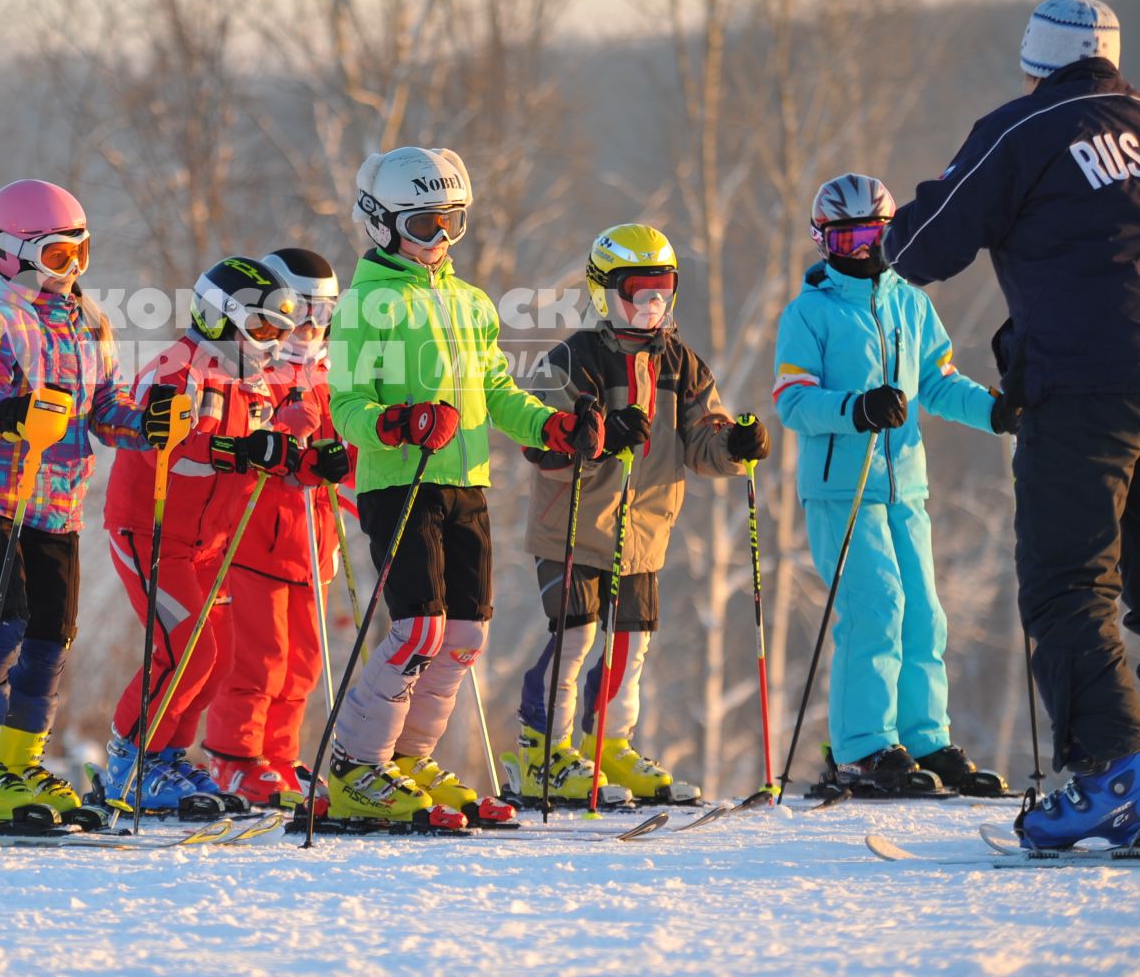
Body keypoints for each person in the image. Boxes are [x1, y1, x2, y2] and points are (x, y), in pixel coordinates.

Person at [884, 0, 1140, 848]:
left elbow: (927, 242)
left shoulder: (1023, 129)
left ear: (1035, 63)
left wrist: (885, 237)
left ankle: (1112, 780)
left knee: (1069, 580)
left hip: (1085, 378)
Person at [324, 146, 604, 829]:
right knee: (419, 626)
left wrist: (552, 427)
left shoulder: (471, 304)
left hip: (465, 483)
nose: (441, 239)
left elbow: (497, 391)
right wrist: (399, 421)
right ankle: (357, 766)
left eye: (453, 222)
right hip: (401, 484)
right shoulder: (367, 305)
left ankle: (411, 760)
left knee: (464, 635)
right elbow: (345, 405)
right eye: (425, 225)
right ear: (382, 223)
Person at [0, 179, 179, 830]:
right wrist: (11, 412)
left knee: (50, 638)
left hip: (56, 499)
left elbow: (105, 407)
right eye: (60, 256)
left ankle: (15, 762)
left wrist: (146, 422)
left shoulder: (88, 319)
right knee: (4, 625)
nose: (74, 270)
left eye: (82, 253)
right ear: (10, 252)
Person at [508, 224, 767, 806]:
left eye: (663, 291)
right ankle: (541, 752)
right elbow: (539, 443)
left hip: (645, 532)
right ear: (604, 291)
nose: (653, 305)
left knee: (631, 642)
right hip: (573, 527)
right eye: (638, 292)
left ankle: (609, 744)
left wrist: (735, 447)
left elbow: (704, 440)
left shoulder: (681, 363)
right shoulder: (574, 359)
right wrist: (596, 436)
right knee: (575, 635)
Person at [773, 173, 1012, 798]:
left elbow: (937, 380)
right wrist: (856, 407)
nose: (862, 249)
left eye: (874, 234)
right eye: (847, 236)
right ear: (823, 239)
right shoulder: (809, 314)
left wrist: (994, 410)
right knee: (875, 608)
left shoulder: (911, 301)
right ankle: (864, 747)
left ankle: (925, 739)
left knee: (925, 618)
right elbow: (793, 401)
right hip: (840, 490)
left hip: (905, 485)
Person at [97, 256, 304, 817]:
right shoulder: (177, 369)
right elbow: (176, 442)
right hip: (151, 530)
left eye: (282, 332)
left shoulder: (255, 383)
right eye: (263, 328)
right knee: (184, 648)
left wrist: (305, 460)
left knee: (218, 657)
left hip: (208, 542)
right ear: (220, 317)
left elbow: (266, 456)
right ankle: (127, 761)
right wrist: (244, 450)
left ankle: (165, 756)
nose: (273, 343)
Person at [200, 248, 353, 809]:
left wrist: (345, 457)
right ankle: (235, 760)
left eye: (324, 311)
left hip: (313, 543)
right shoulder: (250, 369)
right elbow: (248, 445)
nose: (312, 326)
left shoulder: (331, 374)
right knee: (257, 656)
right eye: (302, 310)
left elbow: (348, 450)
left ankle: (280, 758)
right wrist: (292, 431)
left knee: (304, 661)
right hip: (252, 538)